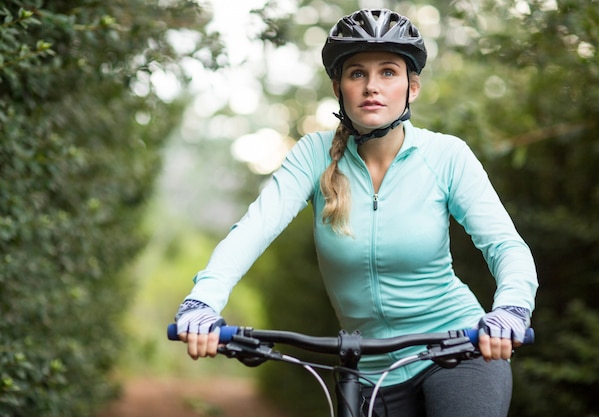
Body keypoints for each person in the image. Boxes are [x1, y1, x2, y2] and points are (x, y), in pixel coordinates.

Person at [174, 8, 538, 417]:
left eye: (387, 72)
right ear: (339, 86)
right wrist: (202, 301)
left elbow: (505, 245)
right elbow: (253, 229)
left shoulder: (446, 155)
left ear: (411, 88)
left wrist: (511, 308)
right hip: (367, 368)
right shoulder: (313, 155)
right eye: (357, 73)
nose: (371, 87)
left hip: (458, 350)